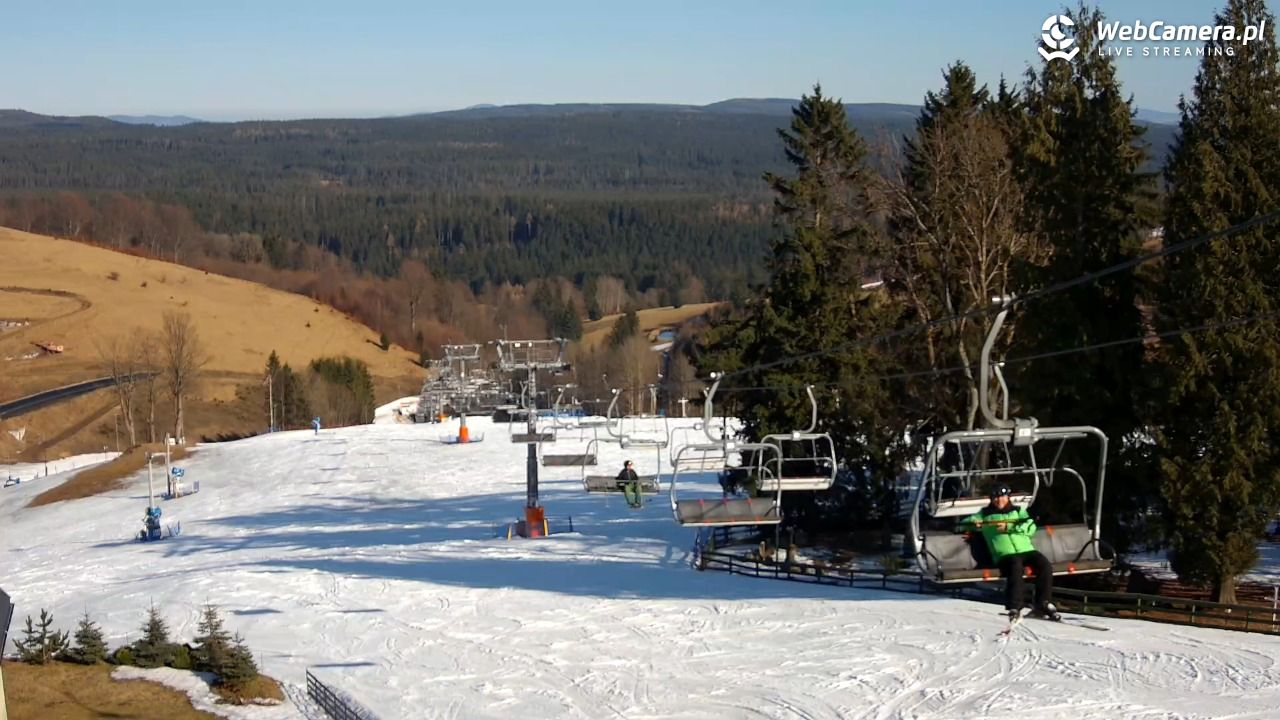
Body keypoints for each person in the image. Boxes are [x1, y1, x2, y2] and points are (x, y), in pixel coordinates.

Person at [961, 484, 1060, 621]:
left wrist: (1009, 527)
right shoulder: (985, 514)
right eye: (995, 498)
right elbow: (965, 523)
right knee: (1015, 567)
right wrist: (973, 523)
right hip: (1004, 553)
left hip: (1025, 549)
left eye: (1002, 497)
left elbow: (1030, 526)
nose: (999, 501)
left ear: (1008, 497)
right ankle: (1015, 606)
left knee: (1044, 564)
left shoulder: (1018, 511)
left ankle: (1042, 603)